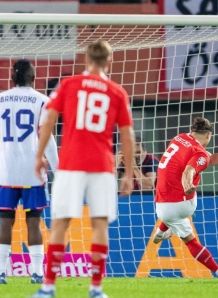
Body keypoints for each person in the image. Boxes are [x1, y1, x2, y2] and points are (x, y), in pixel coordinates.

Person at [30, 40, 135, 298]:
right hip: (102, 165)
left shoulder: (69, 84)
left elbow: (49, 120)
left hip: (71, 163)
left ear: (86, 59)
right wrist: (130, 173)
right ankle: (96, 289)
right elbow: (127, 135)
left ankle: (48, 288)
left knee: (60, 223)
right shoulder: (117, 92)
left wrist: (39, 155)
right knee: (100, 223)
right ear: (109, 61)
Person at [0, 59, 59, 285]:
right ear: (33, 79)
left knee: (5, 223)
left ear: (11, 79)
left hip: (6, 172)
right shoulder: (43, 101)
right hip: (33, 173)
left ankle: (0, 274)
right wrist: (58, 170)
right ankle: (36, 274)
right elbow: (49, 140)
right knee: (33, 223)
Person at [151, 117, 218, 280]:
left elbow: (209, 159)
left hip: (161, 201)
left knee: (174, 221)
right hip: (183, 203)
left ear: (192, 131)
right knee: (191, 242)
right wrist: (188, 185)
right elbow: (189, 171)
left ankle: (161, 232)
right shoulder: (199, 152)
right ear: (208, 135)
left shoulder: (179, 138)